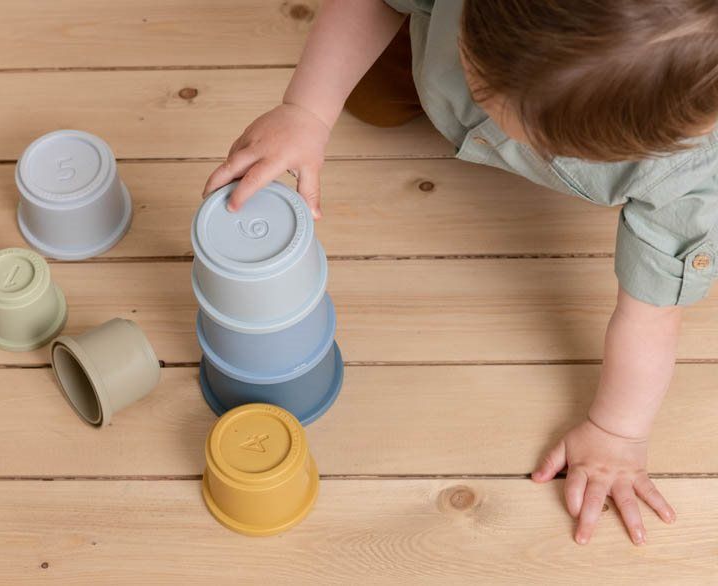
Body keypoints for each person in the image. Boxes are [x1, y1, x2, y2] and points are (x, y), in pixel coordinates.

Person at [203, 0, 718, 545]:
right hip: (460, 48)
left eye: (521, 123)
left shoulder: (684, 179)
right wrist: (306, 111)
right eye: (479, 75)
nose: (484, 103)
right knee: (368, 98)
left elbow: (651, 319)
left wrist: (618, 432)